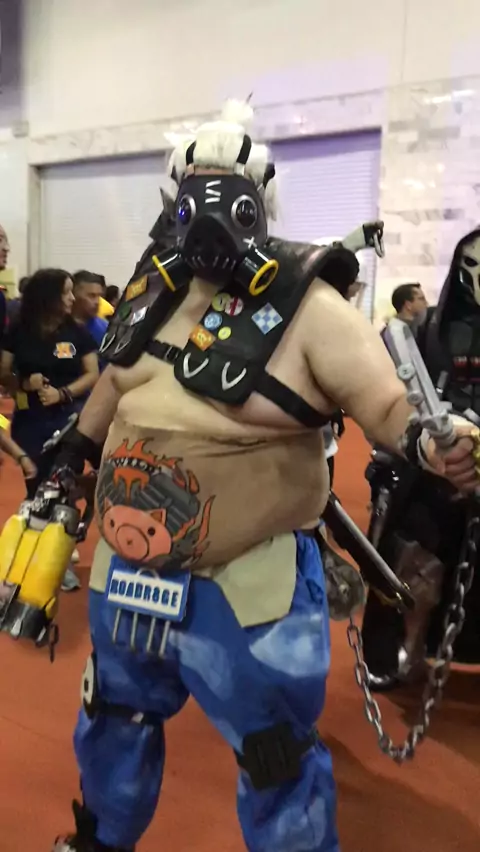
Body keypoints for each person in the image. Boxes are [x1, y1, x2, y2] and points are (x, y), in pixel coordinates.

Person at [49, 101, 478, 852]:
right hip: (129, 572)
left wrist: (433, 443)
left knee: (275, 752)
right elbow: (114, 385)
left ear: (261, 201)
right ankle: (102, 838)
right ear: (174, 200)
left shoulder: (311, 308)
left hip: (246, 589)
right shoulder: (151, 295)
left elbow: (387, 405)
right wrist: (72, 453)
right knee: (114, 715)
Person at [361, 227, 480, 690]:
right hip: (433, 469)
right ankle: (405, 647)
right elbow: (392, 404)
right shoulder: (427, 330)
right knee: (413, 562)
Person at [0, 269, 100, 591]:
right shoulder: (19, 331)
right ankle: (37, 555)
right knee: (37, 492)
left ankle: (58, 560)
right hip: (30, 423)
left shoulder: (77, 332)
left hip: (68, 421)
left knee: (61, 489)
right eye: (66, 292)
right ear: (48, 296)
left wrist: (63, 394)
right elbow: (3, 373)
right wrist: (23, 382)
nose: (71, 298)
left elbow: (92, 374)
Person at [72, 271, 109, 347]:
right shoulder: (57, 328)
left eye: (99, 296)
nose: (97, 302)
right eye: (92, 296)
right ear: (74, 295)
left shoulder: (106, 329)